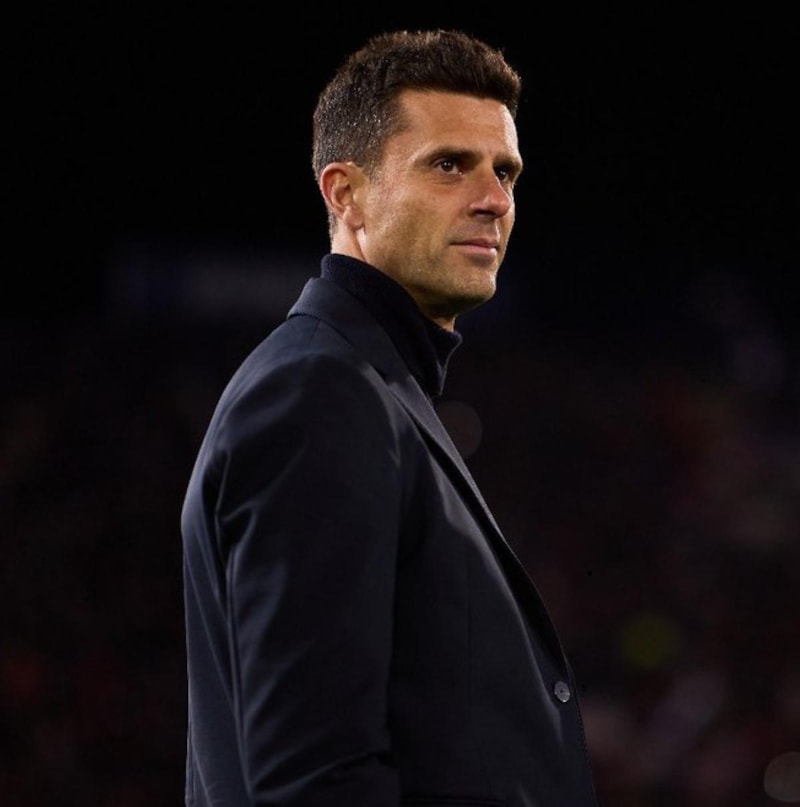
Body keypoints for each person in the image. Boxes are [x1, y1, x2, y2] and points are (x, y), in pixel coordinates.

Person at [181, 28, 599, 806]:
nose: (494, 199)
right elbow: (314, 779)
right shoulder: (319, 393)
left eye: (505, 171)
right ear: (345, 193)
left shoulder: (371, 387)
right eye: (449, 165)